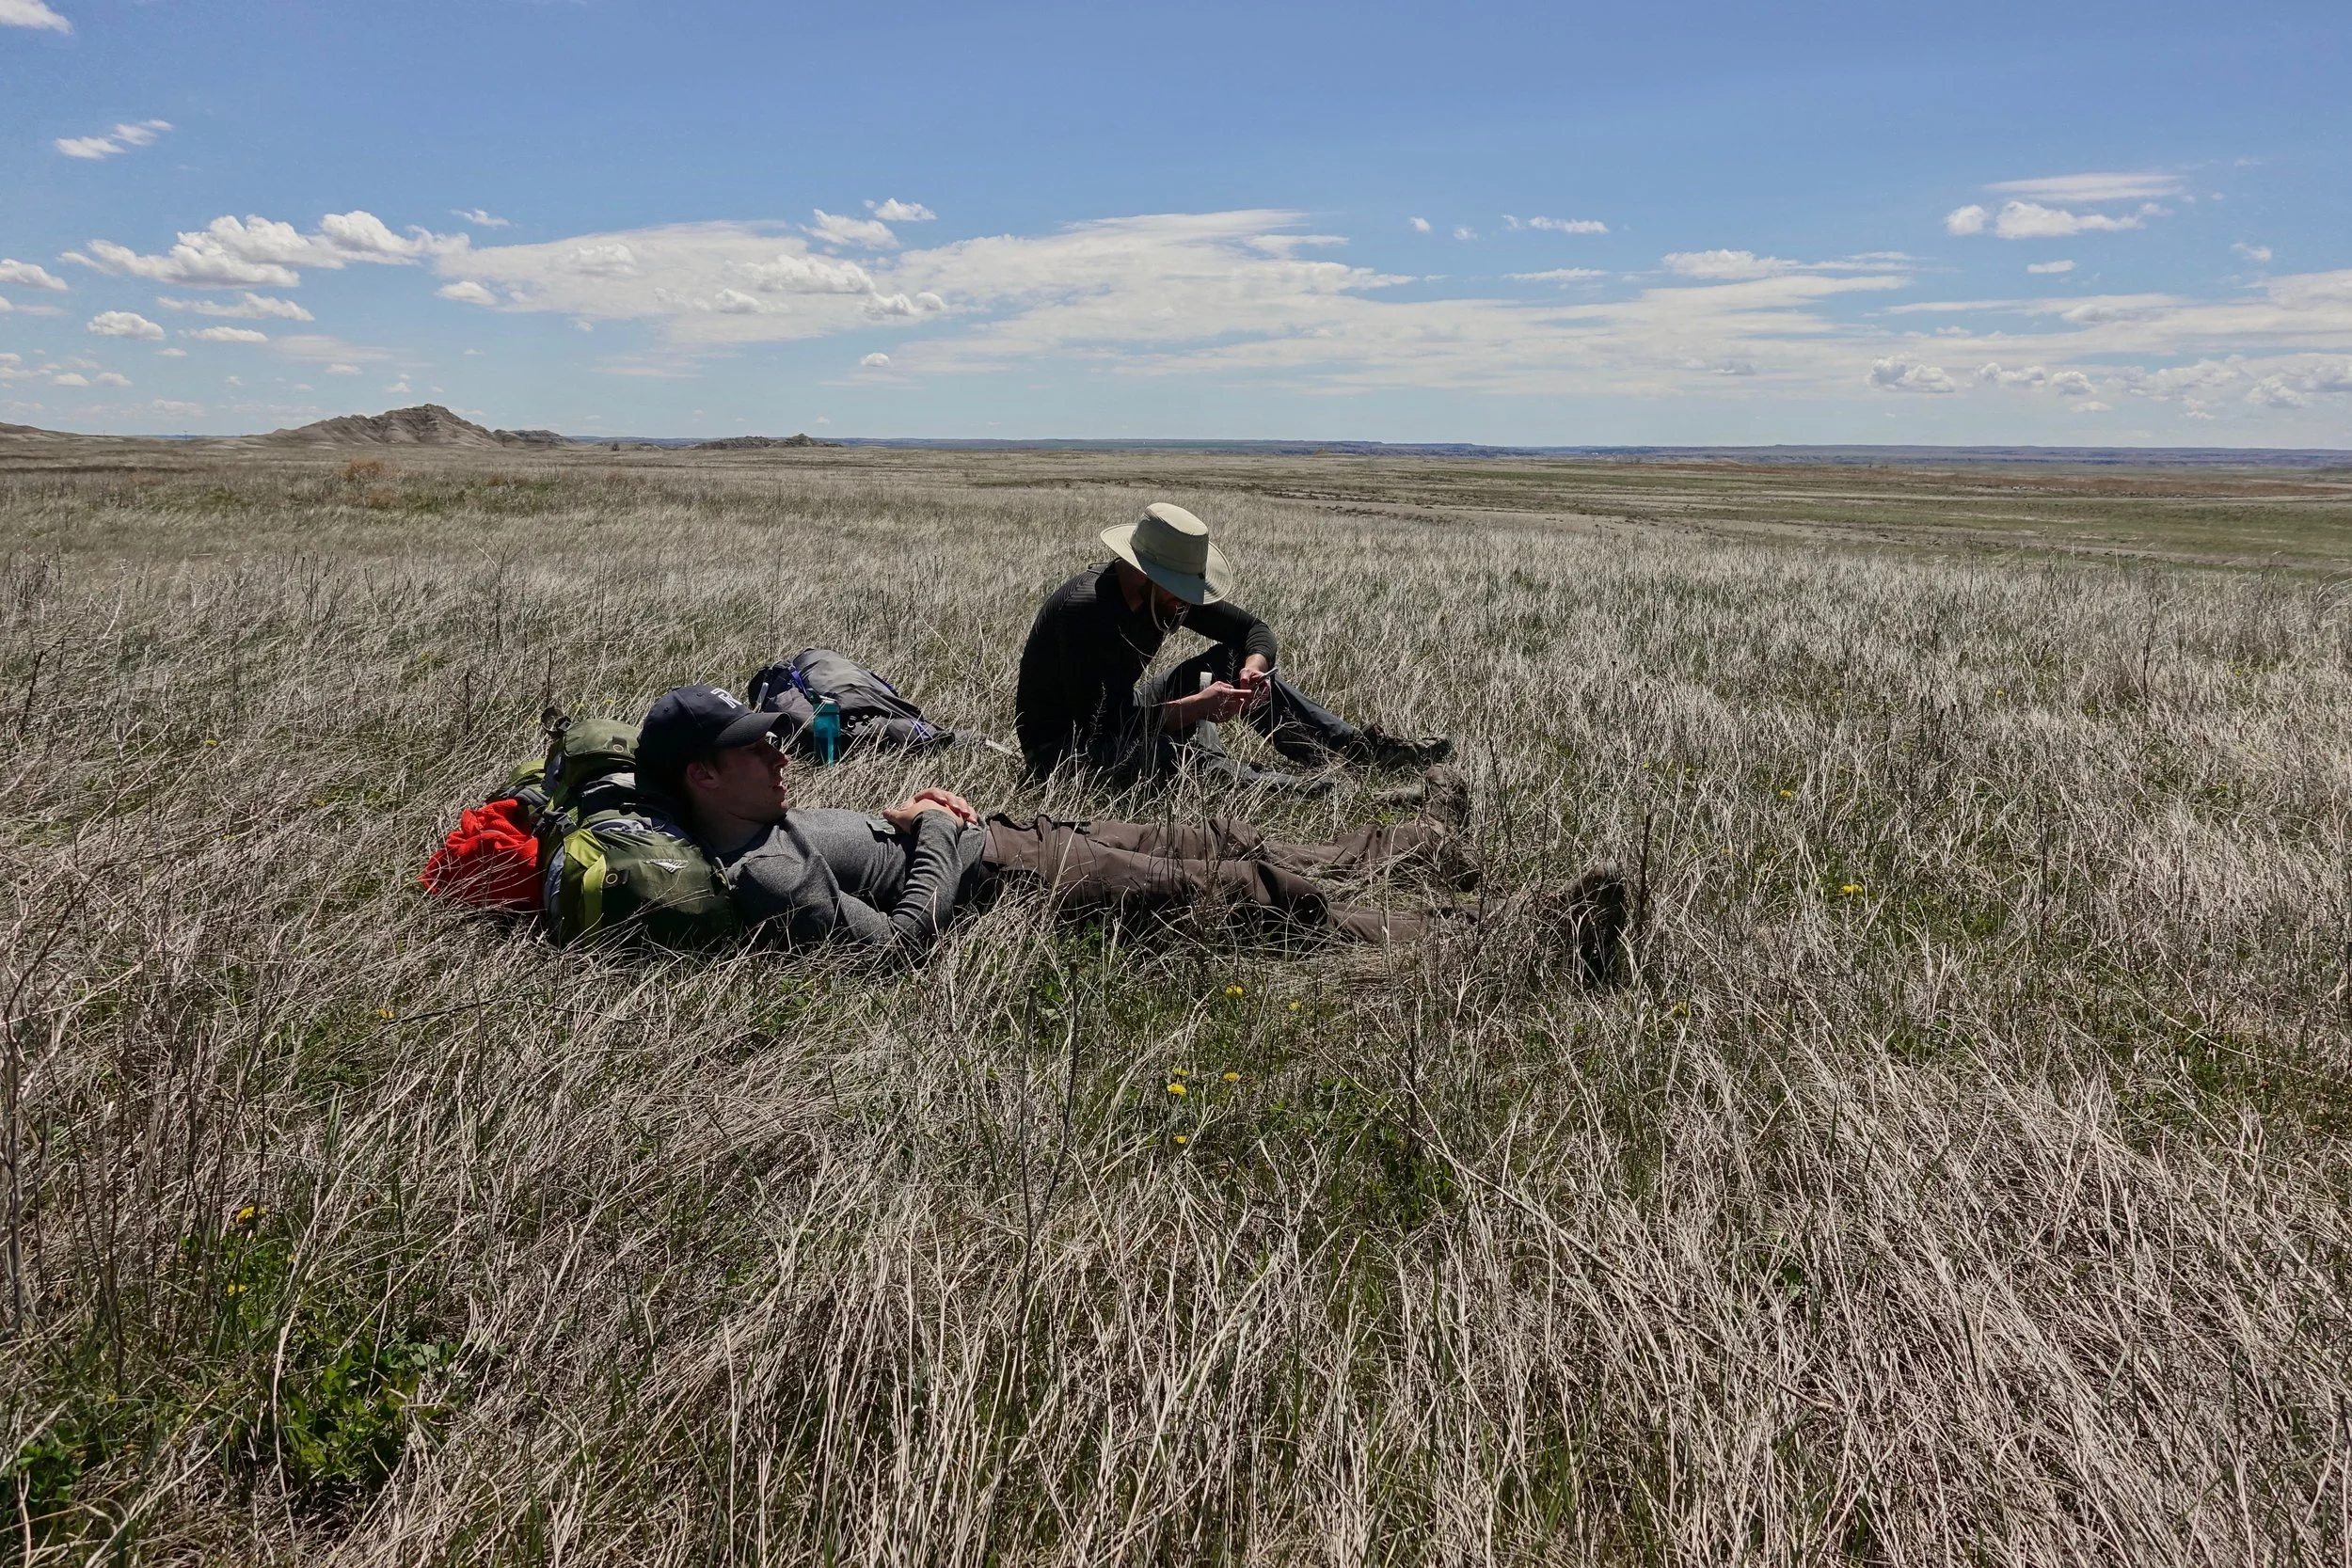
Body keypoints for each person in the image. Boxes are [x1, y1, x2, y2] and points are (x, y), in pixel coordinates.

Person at [632, 685, 1621, 972]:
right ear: (702, 774)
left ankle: (1416, 848)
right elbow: (892, 952)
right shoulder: (759, 870)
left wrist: (904, 814)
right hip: (1006, 878)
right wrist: (938, 834)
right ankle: (1515, 934)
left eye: (774, 737)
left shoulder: (760, 815)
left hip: (1018, 834)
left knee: (1222, 843)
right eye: (756, 746)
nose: (781, 751)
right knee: (1239, 899)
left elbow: (866, 849)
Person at [1014, 501, 1454, 789]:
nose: (1186, 602)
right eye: (1178, 590)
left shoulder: (1164, 599)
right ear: (1145, 576)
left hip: (1119, 716)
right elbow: (1106, 729)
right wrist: (1196, 707)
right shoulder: (1086, 612)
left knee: (1230, 659)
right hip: (1065, 755)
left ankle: (1355, 752)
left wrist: (1253, 668)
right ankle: (1303, 789)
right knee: (1174, 761)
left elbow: (1253, 631)